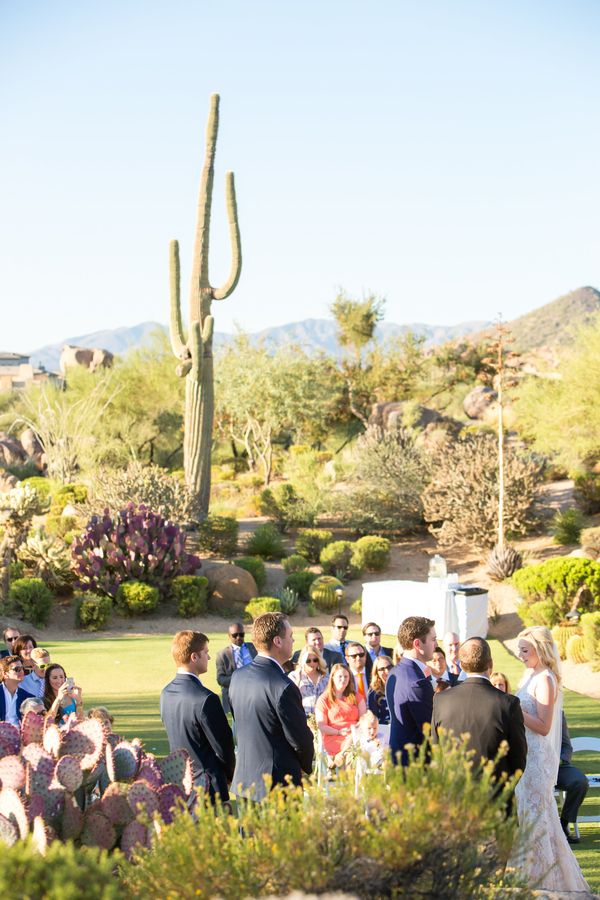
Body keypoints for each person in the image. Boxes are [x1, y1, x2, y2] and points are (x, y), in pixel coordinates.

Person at [511, 626, 589, 892]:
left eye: (525, 650)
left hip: (537, 759)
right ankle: (528, 876)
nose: (520, 655)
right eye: (519, 650)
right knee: (527, 814)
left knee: (539, 816)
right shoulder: (530, 675)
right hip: (525, 755)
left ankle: (548, 879)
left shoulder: (545, 679)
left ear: (540, 650)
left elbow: (544, 726)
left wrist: (516, 711)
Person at [229, 612, 314, 801]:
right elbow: (300, 740)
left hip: (245, 782)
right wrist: (308, 767)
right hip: (276, 786)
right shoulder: (283, 686)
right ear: (278, 641)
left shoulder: (238, 677)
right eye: (290, 636)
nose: (293, 640)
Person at [431, 638, 527, 793]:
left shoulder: (441, 700)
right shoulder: (508, 703)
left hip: (453, 797)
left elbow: (437, 751)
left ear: (461, 665)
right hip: (495, 798)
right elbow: (519, 758)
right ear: (490, 663)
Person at [160, 630, 235, 804]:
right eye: (206, 653)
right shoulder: (206, 698)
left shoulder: (166, 693)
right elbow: (224, 747)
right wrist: (230, 775)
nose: (208, 658)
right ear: (194, 657)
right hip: (209, 788)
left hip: (179, 784)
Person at [386, 616, 436, 766]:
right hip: (413, 767)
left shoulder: (395, 671)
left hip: (398, 758)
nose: (436, 644)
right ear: (417, 644)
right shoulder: (416, 682)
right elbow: (430, 728)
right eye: (433, 639)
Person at [315, 663, 366, 767]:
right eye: (340, 676)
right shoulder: (324, 699)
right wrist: (339, 732)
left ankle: (340, 757)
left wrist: (354, 730)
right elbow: (321, 726)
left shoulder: (356, 696)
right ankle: (341, 760)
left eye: (346, 676)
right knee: (352, 745)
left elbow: (364, 720)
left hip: (355, 734)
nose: (343, 679)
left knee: (353, 739)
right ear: (332, 677)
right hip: (334, 736)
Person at [556, 711, 589, 844]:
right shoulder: (521, 709)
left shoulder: (558, 713)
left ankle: (563, 823)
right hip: (530, 765)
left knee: (580, 781)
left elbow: (566, 745)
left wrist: (561, 760)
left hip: (558, 766)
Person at [215, 623, 257, 716]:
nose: (238, 637)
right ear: (229, 636)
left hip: (255, 691)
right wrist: (240, 679)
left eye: (241, 634)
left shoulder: (253, 647)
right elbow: (220, 679)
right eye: (235, 635)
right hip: (235, 695)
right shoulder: (222, 655)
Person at [288, 646, 329, 717]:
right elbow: (290, 698)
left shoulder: (325, 677)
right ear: (302, 661)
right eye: (308, 661)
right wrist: (298, 681)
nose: (312, 663)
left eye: (315, 660)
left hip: (323, 718)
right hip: (301, 717)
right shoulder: (294, 676)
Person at [0, 655, 34, 724]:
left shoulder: (27, 697)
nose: (21, 671)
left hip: (19, 733)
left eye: (22, 668)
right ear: (5, 674)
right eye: (17, 669)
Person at [367, 654, 393, 725]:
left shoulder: (401, 686)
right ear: (376, 673)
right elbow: (373, 718)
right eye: (382, 669)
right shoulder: (373, 694)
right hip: (384, 729)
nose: (387, 671)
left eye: (389, 667)